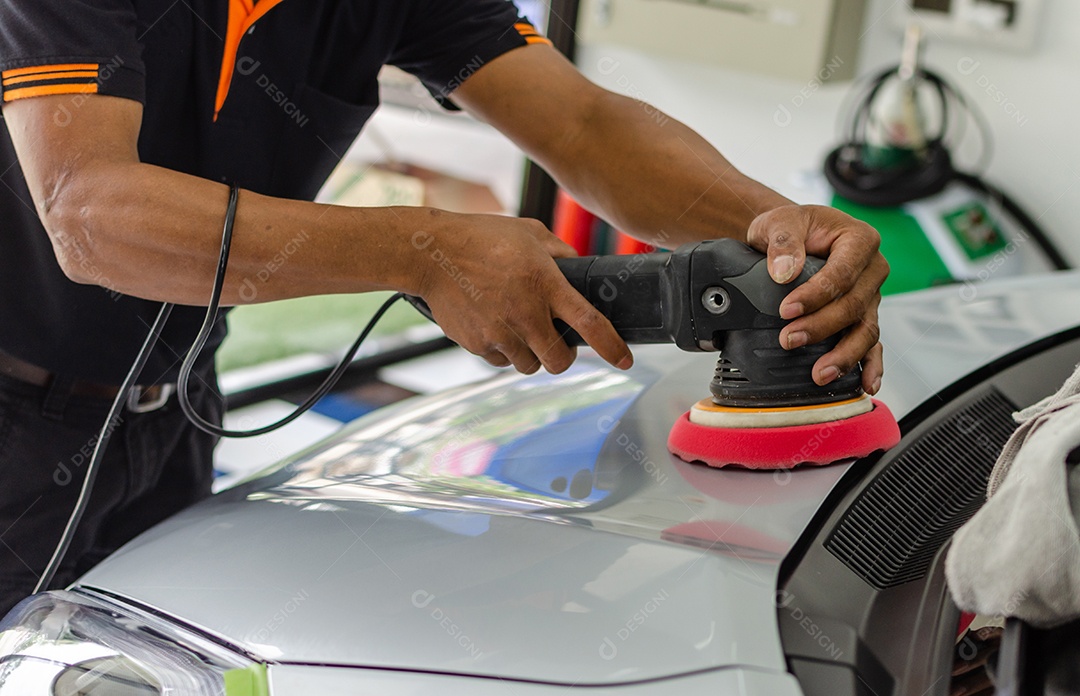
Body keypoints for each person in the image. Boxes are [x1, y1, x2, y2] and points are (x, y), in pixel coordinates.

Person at [0, 0, 889, 614]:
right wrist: (420, 248)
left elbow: (583, 128)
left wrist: (782, 243)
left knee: (146, 676)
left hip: (172, 414)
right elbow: (91, 213)